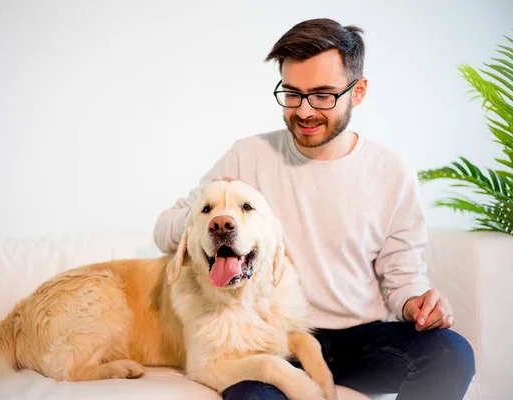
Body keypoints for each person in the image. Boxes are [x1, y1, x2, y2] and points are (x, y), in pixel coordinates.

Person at [153, 18, 475, 400]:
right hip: (275, 337)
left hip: (362, 340)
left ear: (359, 92)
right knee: (250, 396)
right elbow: (163, 230)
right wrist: (202, 220)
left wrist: (418, 303)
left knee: (452, 353)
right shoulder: (247, 157)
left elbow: (402, 276)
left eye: (323, 95)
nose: (304, 111)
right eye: (292, 93)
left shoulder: (391, 171)